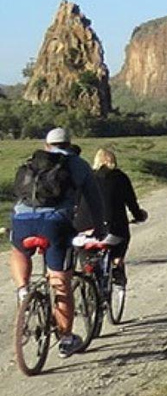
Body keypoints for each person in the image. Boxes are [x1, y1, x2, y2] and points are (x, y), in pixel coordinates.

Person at [9, 127, 107, 358]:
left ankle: (23, 290)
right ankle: (66, 339)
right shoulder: (78, 164)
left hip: (22, 219)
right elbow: (94, 199)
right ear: (69, 143)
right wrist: (100, 227)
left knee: (18, 250)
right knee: (61, 281)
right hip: (55, 224)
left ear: (47, 144)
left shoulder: (32, 161)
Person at [73, 148, 148, 286]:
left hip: (83, 231)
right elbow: (131, 203)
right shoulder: (120, 177)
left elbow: (75, 204)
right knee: (122, 238)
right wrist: (139, 216)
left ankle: (86, 280)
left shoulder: (85, 177)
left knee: (85, 258)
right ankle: (117, 263)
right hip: (111, 232)